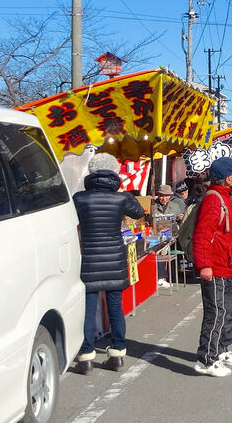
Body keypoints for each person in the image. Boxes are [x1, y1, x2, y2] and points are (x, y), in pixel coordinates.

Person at [72, 152, 145, 375]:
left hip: (89, 260)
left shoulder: (79, 199)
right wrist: (124, 194)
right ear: (114, 173)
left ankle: (86, 356)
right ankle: (118, 353)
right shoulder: (120, 198)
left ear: (91, 173)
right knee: (116, 307)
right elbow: (139, 212)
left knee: (87, 309)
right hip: (114, 259)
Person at [193, 157, 232, 377]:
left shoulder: (225, 197)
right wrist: (204, 264)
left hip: (227, 265)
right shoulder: (214, 200)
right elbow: (202, 234)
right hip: (216, 266)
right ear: (226, 178)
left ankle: (222, 349)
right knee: (216, 312)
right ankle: (207, 358)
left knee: (229, 310)